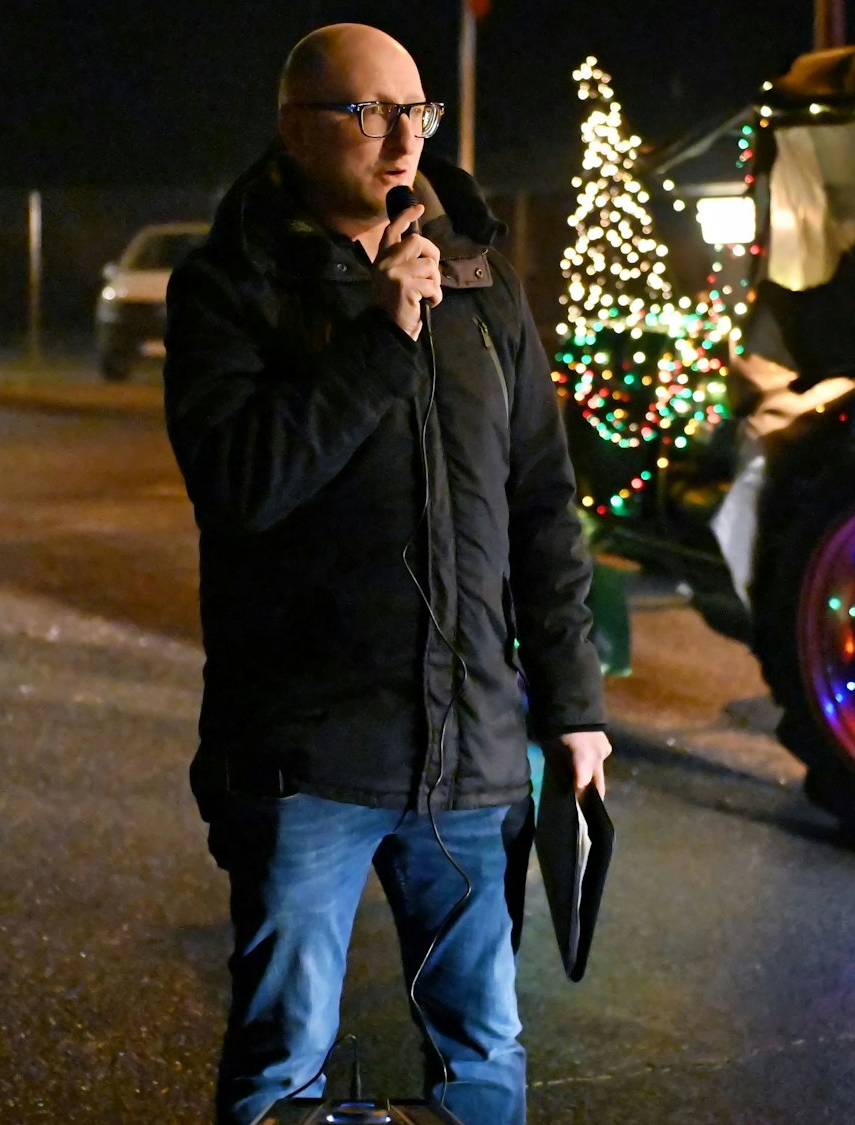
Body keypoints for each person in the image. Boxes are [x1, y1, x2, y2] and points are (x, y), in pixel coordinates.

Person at [162, 23, 612, 1125]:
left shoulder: (483, 282)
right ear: (292, 129)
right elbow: (242, 484)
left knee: (481, 1051)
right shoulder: (231, 284)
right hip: (306, 750)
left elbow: (541, 505)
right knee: (280, 1058)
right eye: (367, 112)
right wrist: (377, 336)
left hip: (470, 750)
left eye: (416, 111)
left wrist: (574, 705)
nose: (401, 136)